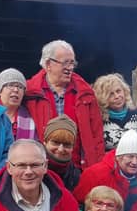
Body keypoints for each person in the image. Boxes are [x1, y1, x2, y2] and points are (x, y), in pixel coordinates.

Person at [22, 40, 104, 169]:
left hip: (77, 169)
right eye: (65, 62)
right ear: (48, 64)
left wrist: (97, 168)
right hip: (40, 169)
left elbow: (97, 136)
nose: (70, 68)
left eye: (72, 63)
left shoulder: (86, 93)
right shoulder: (29, 93)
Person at [73, 130, 137, 211]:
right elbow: (78, 203)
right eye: (130, 156)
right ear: (119, 157)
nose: (134, 162)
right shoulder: (96, 173)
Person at [92, 73, 137, 152]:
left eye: (118, 91)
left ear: (124, 91)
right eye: (111, 94)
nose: (117, 96)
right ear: (103, 98)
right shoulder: (99, 120)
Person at [0, 68, 35, 141]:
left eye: (20, 87)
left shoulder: (31, 117)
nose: (16, 90)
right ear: (0, 91)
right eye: (11, 85)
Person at [43, 115, 82, 192]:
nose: (60, 149)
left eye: (67, 144)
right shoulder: (34, 168)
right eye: (55, 142)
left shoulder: (75, 175)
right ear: (45, 142)